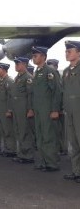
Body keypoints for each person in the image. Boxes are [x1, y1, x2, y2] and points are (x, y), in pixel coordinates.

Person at [30, 46, 62, 172]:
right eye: (33, 56)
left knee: (49, 136)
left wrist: (55, 109)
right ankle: (43, 161)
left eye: (36, 55)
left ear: (43, 56)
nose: (33, 57)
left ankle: (52, 163)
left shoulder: (50, 71)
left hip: (48, 109)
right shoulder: (37, 71)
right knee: (40, 135)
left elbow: (57, 91)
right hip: (38, 109)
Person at [9, 57, 36, 164]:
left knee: (26, 132)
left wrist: (30, 109)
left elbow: (31, 95)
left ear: (24, 65)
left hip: (24, 108)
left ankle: (28, 155)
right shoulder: (17, 78)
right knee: (19, 131)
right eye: (15, 64)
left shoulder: (28, 78)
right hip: (17, 109)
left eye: (18, 64)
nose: (16, 66)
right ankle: (21, 154)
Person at [62, 40, 80, 183]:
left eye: (70, 51)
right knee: (73, 143)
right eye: (66, 51)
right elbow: (64, 92)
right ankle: (76, 171)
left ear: (78, 52)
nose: (66, 53)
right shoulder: (67, 71)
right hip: (70, 111)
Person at [0, 62, 16, 157]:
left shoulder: (9, 81)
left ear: (3, 70)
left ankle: (11, 150)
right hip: (1, 110)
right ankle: (7, 149)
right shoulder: (1, 81)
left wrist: (10, 110)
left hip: (6, 111)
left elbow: (11, 97)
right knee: (3, 130)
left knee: (8, 131)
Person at [48, 58, 67, 155]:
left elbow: (60, 92)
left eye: (52, 65)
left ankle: (62, 148)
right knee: (56, 129)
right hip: (55, 107)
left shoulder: (56, 75)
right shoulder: (56, 75)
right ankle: (60, 147)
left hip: (59, 107)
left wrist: (59, 108)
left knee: (59, 129)